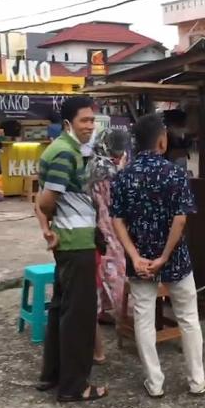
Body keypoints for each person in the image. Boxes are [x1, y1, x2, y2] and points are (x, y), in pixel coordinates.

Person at [111, 113, 205, 398]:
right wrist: (165, 256)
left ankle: (155, 383)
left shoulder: (123, 176)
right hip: (176, 260)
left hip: (140, 261)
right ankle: (197, 380)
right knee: (188, 318)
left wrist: (134, 256)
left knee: (143, 319)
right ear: (162, 140)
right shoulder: (175, 173)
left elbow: (117, 220)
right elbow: (180, 220)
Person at [35, 95, 108, 402]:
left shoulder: (64, 150)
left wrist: (51, 230)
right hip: (76, 243)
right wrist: (51, 224)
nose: (89, 126)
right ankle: (75, 386)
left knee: (60, 310)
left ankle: (52, 375)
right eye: (84, 121)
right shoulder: (65, 153)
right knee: (78, 316)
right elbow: (46, 200)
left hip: (69, 242)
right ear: (68, 123)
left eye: (92, 120)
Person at [85, 128, 128, 363]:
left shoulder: (93, 162)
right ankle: (124, 318)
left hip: (92, 226)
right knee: (116, 271)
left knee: (99, 272)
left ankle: (103, 311)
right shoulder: (112, 170)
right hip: (109, 227)